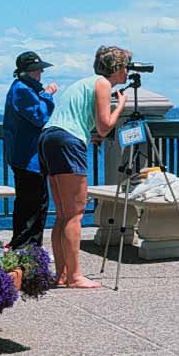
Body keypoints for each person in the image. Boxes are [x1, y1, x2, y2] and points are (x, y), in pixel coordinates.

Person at [38, 45, 131, 288]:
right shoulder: (102, 83)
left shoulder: (85, 82)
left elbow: (82, 119)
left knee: (62, 215)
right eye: (126, 66)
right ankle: (76, 276)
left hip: (49, 137)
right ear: (118, 67)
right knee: (75, 214)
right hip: (68, 141)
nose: (128, 72)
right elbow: (104, 126)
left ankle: (61, 275)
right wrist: (120, 105)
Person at [3, 51, 58, 249]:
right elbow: (40, 116)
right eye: (37, 70)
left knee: (35, 204)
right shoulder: (22, 89)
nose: (41, 73)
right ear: (27, 72)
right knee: (31, 206)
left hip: (29, 157)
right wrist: (48, 95)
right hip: (27, 158)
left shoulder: (23, 88)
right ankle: (27, 249)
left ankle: (30, 248)